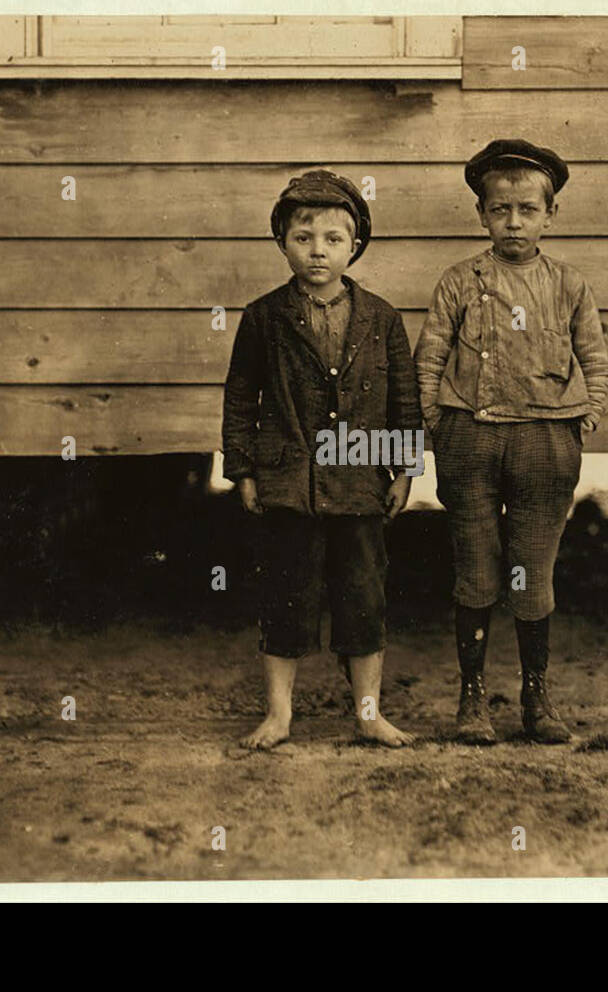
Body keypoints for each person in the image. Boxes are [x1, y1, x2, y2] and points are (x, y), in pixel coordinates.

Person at [414, 139, 608, 744]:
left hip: (546, 444)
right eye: (501, 210)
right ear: (482, 216)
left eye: (528, 209)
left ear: (550, 216)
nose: (514, 222)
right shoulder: (459, 281)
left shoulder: (568, 284)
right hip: (471, 438)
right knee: (476, 573)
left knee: (533, 573)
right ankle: (472, 701)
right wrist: (436, 421)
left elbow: (595, 358)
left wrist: (587, 414)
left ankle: (536, 698)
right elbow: (430, 356)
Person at [222, 170, 422, 749]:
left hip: (360, 477)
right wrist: (244, 469)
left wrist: (405, 469)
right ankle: (280, 716)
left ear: (354, 245)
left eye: (333, 239)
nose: (317, 251)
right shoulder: (264, 317)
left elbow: (403, 398)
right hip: (290, 481)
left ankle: (367, 714)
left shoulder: (381, 317)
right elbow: (240, 396)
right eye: (303, 237)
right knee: (287, 597)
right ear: (282, 242)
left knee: (364, 598)